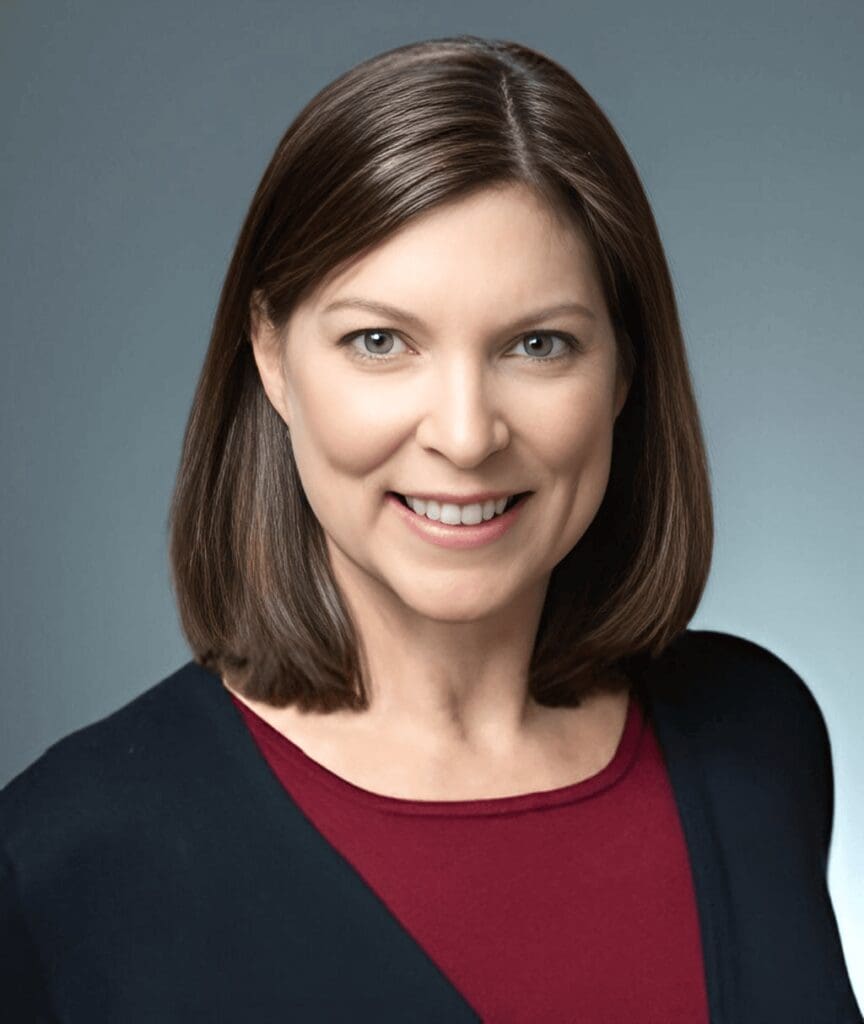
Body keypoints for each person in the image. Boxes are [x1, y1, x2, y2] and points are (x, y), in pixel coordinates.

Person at [1, 34, 860, 1024]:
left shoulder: (757, 737)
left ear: (623, 371)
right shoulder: (68, 856)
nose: (464, 434)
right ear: (272, 358)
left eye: (538, 344)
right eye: (380, 342)